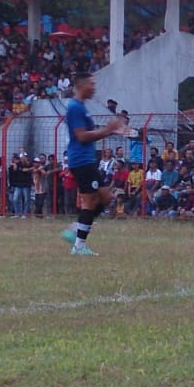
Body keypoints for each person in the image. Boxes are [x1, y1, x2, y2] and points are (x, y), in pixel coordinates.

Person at [60, 72, 126, 256]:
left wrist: (108, 131)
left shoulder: (81, 107)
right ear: (81, 85)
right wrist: (108, 130)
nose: (94, 87)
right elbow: (81, 136)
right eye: (91, 83)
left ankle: (76, 232)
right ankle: (78, 244)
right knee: (92, 201)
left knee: (103, 198)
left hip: (86, 160)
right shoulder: (75, 107)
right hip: (81, 160)